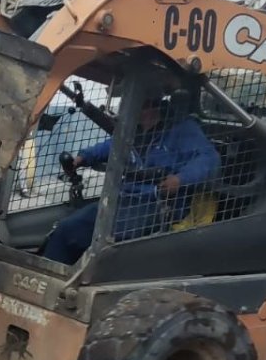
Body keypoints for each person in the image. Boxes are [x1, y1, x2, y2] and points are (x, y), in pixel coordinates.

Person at [42, 93, 220, 265]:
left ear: (150, 105)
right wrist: (82, 158)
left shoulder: (183, 129)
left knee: (108, 242)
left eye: (131, 103)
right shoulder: (131, 130)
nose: (123, 109)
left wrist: (180, 179)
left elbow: (209, 158)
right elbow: (111, 145)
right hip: (123, 200)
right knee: (65, 230)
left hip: (158, 204)